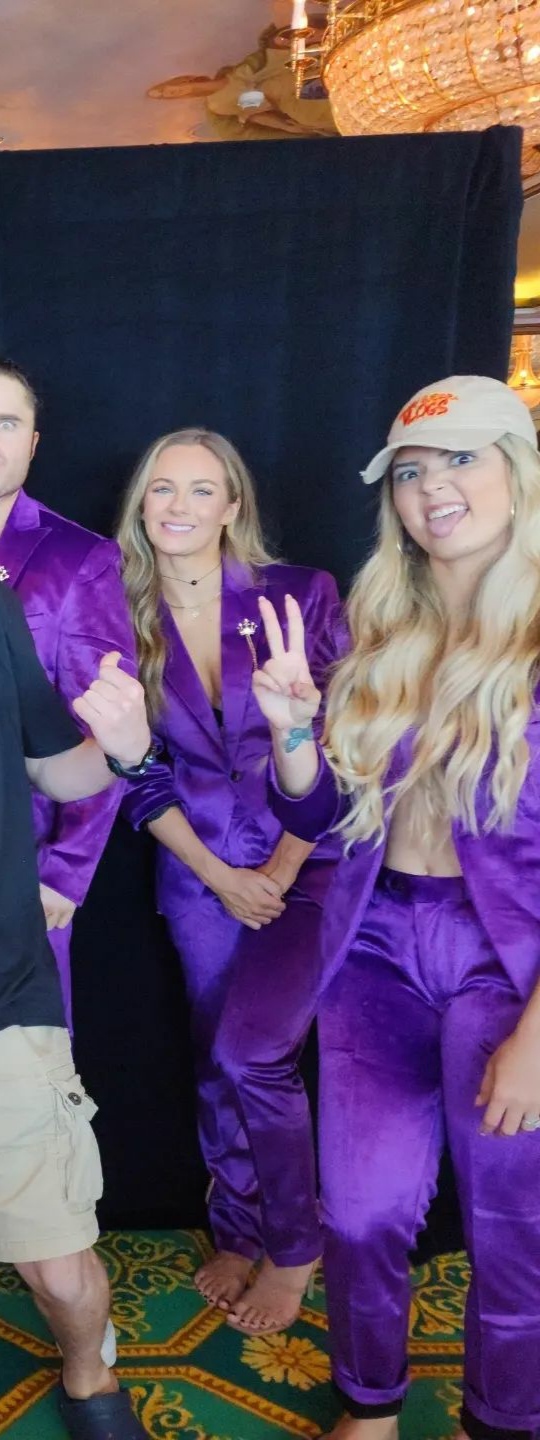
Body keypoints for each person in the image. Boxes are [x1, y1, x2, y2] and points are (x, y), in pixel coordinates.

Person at [252, 376, 540, 1439]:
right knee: (364, 1211)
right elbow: (325, 813)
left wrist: (538, 1035)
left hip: (509, 964)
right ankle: (368, 1406)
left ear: (520, 471)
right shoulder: (383, 631)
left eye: (461, 458)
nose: (432, 488)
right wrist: (291, 732)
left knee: (513, 1225)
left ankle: (498, 1421)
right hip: (374, 945)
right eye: (411, 471)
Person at [117, 428, 346, 1333]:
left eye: (201, 489)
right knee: (219, 1057)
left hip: (311, 860)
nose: (178, 506)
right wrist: (218, 876)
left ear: (233, 506)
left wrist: (282, 865)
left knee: (260, 1055)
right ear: (142, 504)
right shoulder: (118, 612)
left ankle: (294, 1244)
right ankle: (239, 1228)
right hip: (196, 870)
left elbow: (345, 738)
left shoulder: (301, 593)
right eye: (161, 488)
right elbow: (136, 772)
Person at [0, 580, 155, 1440]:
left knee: (58, 1269)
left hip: (4, 996)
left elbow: (57, 768)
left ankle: (90, 1373)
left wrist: (125, 749)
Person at [0, 358, 136, 1032]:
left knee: (25, 1073)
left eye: (6, 422)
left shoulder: (78, 557)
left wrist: (64, 870)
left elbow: (101, 724)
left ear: (32, 442)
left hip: (22, 874)